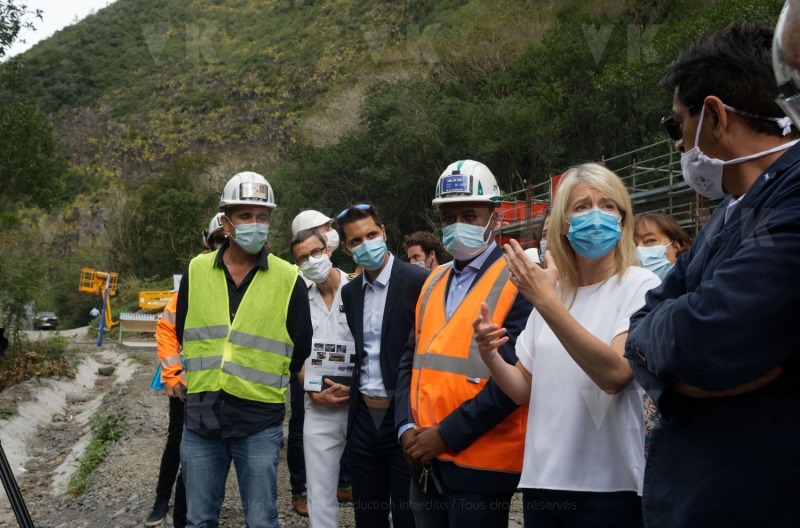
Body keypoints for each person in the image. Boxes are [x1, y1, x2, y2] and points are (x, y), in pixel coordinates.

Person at [626, 23, 800, 527]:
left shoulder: (790, 198)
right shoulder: (729, 212)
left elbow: (705, 333)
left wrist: (662, 355)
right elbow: (645, 320)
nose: (679, 144)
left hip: (760, 499)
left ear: (716, 116)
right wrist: (677, 385)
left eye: (676, 125)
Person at [473, 163, 661, 527]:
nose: (596, 215)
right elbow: (520, 388)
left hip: (610, 485)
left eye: (608, 206)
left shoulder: (639, 284)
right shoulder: (554, 294)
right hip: (544, 481)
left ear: (623, 220)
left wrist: (546, 302)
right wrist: (490, 354)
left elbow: (616, 374)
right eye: (581, 206)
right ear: (563, 223)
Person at [395, 160, 532, 527]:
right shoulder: (433, 281)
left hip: (481, 465)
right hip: (423, 459)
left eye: (470, 214)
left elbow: (514, 380)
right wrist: (405, 428)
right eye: (449, 216)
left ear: (495, 217)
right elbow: (412, 361)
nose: (458, 225)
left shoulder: (520, 281)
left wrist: (445, 435)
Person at [176, 172, 312, 528]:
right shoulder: (196, 270)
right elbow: (183, 330)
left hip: (258, 419)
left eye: (262, 216)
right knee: (198, 519)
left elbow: (301, 346)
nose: (255, 224)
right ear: (226, 221)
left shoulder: (288, 278)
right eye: (245, 216)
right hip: (202, 415)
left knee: (262, 519)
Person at [338, 203, 428, 528]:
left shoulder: (419, 281)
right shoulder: (349, 293)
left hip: (401, 418)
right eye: (356, 240)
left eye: (371, 234)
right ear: (347, 249)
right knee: (368, 517)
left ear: (384, 233)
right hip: (363, 420)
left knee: (408, 516)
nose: (366, 243)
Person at [145, 213, 227, 528]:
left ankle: (195, 509)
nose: (224, 246)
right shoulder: (197, 277)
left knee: (207, 452)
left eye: (227, 239)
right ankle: (162, 499)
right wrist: (174, 375)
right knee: (179, 442)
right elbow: (166, 328)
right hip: (188, 382)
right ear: (210, 242)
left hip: (223, 383)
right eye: (218, 240)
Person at [286, 211, 352, 516]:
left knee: (375, 487)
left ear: (328, 249)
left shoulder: (358, 290)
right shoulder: (296, 298)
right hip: (317, 404)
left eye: (315, 252)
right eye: (302, 259)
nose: (310, 262)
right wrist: (311, 389)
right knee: (320, 495)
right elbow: (293, 354)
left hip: (359, 404)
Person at [633, 212, 691, 280]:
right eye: (632, 246)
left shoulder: (696, 283)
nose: (639, 250)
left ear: (676, 247)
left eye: (651, 240)